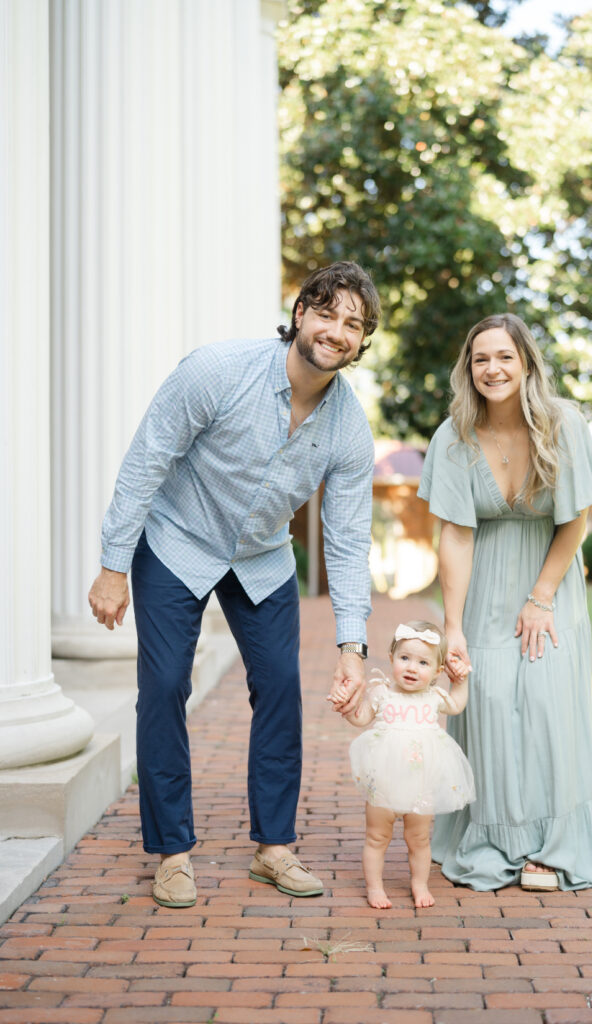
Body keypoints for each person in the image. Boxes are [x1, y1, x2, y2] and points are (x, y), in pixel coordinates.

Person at [87, 261, 381, 907]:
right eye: (327, 313)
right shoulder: (216, 371)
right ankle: (172, 852)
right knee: (163, 686)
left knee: (279, 690)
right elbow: (146, 461)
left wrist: (352, 647)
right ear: (301, 312)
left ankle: (273, 848)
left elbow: (349, 539)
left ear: (361, 343)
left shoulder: (348, 429)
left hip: (261, 558)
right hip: (176, 540)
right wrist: (112, 565)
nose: (336, 330)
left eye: (352, 325)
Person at [417, 312, 592, 893]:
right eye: (481, 359)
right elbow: (454, 533)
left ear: (525, 362)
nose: (492, 368)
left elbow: (577, 517)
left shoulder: (563, 424)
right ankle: (496, 837)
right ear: (467, 368)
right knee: (492, 702)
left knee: (549, 708)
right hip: (484, 584)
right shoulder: (453, 436)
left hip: (549, 581)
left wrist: (542, 597)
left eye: (504, 356)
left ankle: (553, 848)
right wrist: (451, 625)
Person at [328, 621, 475, 908]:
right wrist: (346, 707)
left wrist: (462, 681)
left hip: (420, 785)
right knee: (376, 837)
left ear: (437, 671)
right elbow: (361, 718)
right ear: (392, 657)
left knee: (419, 839)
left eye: (423, 662)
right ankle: (374, 888)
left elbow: (457, 704)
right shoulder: (382, 693)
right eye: (404, 658)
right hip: (383, 783)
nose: (411, 667)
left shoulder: (433, 697)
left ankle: (419, 885)